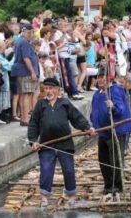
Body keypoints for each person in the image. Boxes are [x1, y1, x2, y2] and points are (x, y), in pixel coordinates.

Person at [28, 77, 94, 208]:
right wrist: (33, 141)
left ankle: (71, 196)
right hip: (47, 144)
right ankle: (44, 197)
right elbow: (33, 124)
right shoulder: (40, 105)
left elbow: (76, 117)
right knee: (46, 170)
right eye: (46, 88)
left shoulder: (65, 103)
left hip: (65, 144)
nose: (49, 91)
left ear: (57, 90)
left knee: (69, 170)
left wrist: (87, 128)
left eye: (51, 88)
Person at [90, 68, 131, 195]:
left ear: (109, 78)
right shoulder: (97, 94)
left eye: (103, 77)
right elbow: (94, 112)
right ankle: (108, 185)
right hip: (102, 131)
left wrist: (112, 106)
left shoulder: (115, 91)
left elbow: (121, 109)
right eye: (99, 77)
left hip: (116, 130)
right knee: (103, 159)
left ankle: (117, 185)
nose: (100, 79)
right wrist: (93, 124)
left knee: (115, 159)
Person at [11, 24, 39, 126]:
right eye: (31, 32)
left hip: (20, 71)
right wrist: (32, 72)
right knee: (26, 95)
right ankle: (25, 119)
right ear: (29, 31)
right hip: (25, 71)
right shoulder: (25, 42)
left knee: (23, 96)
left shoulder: (19, 40)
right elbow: (26, 58)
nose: (32, 35)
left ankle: (24, 118)